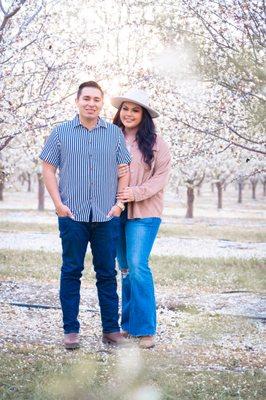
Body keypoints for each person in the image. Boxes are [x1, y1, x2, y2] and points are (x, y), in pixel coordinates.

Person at [40, 81, 131, 349]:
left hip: (106, 216)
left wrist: (118, 205)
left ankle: (111, 330)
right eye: (86, 98)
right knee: (71, 271)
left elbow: (123, 169)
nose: (91, 103)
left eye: (96, 99)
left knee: (106, 274)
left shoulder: (114, 134)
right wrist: (58, 204)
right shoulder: (60, 133)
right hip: (72, 215)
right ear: (77, 101)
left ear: (101, 103)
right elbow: (48, 168)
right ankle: (71, 331)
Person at [111, 88, 171, 349]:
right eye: (125, 108)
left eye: (135, 110)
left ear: (144, 115)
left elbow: (160, 179)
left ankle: (145, 329)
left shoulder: (157, 143)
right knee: (124, 268)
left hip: (145, 213)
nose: (129, 113)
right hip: (115, 211)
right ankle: (128, 326)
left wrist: (134, 193)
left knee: (137, 265)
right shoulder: (110, 137)